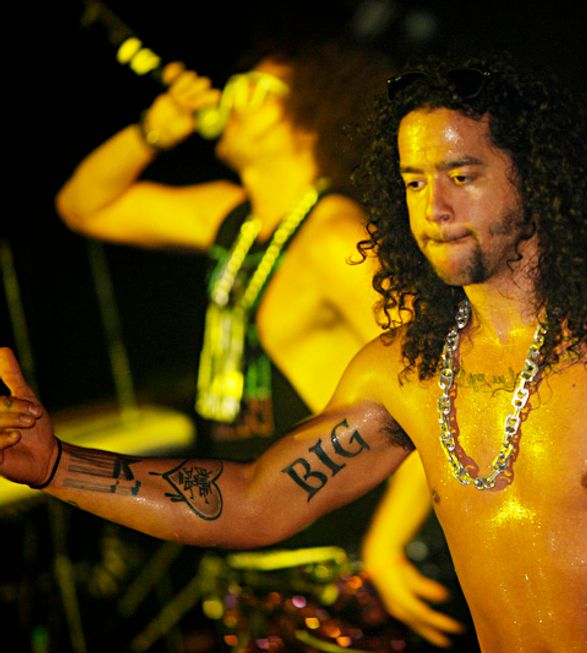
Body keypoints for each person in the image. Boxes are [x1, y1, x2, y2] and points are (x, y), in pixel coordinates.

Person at [3, 53, 587, 652]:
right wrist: (58, 465)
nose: (432, 206)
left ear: (535, 177)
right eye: (411, 181)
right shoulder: (402, 370)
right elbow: (254, 500)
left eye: (461, 175)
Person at [54, 37, 466, 650]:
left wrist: (388, 541)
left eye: (255, 89)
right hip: (249, 563)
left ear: (308, 116)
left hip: (335, 567)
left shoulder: (334, 238)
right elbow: (83, 206)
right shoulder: (232, 219)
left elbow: (440, 381)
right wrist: (155, 130)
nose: (231, 95)